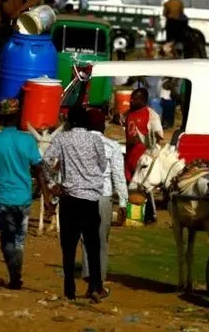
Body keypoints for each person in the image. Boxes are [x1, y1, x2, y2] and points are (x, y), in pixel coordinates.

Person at [0, 98, 51, 290]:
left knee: (6, 239)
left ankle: (14, 273)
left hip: (3, 199)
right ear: (18, 117)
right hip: (23, 199)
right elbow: (38, 169)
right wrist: (46, 197)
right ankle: (16, 275)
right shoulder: (27, 140)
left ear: (0, 119)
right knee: (19, 238)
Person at [44, 106, 108, 302]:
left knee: (69, 246)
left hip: (69, 197)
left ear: (69, 121)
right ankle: (96, 286)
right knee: (93, 244)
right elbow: (103, 164)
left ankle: (69, 289)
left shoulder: (62, 138)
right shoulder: (95, 139)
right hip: (90, 198)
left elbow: (46, 159)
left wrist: (52, 183)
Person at [82, 109, 128, 285]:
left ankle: (88, 275)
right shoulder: (112, 146)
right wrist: (123, 202)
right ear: (103, 126)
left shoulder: (78, 145)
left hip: (82, 196)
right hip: (103, 196)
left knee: (86, 237)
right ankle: (98, 278)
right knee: (101, 238)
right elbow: (118, 176)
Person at [124, 87, 164, 182]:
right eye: (131, 98)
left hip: (143, 160)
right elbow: (119, 119)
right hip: (129, 156)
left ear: (143, 100)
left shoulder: (151, 114)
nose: (131, 100)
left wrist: (140, 139)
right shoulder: (129, 113)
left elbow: (159, 136)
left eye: (135, 99)